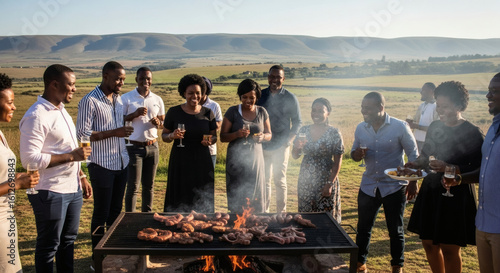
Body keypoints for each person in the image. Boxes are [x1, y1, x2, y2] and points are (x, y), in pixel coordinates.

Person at [19, 65, 92, 273]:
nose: (74, 89)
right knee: (49, 247)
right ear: (54, 84)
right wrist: (72, 156)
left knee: (68, 242)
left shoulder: (61, 110)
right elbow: (29, 159)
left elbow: (67, 147)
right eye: (71, 84)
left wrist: (81, 175)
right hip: (50, 191)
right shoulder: (37, 116)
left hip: (72, 188)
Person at [406, 81, 482, 273]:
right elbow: (427, 155)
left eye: (445, 106)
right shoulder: (435, 126)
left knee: (449, 248)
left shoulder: (472, 132)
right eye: (438, 105)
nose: (440, 110)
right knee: (428, 243)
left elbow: (480, 169)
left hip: (456, 193)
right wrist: (416, 163)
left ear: (458, 106)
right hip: (431, 189)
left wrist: (450, 167)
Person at [351, 91, 418, 273]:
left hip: (394, 187)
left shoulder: (400, 127)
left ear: (381, 107)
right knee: (363, 228)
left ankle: (397, 266)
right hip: (369, 185)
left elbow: (413, 155)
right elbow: (354, 153)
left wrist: (412, 181)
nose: (364, 111)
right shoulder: (360, 128)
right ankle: (360, 264)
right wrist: (356, 155)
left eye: (368, 108)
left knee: (395, 230)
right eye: (363, 107)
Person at [76, 61, 131, 262]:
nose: (121, 83)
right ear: (105, 75)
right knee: (101, 212)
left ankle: (113, 253)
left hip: (121, 162)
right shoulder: (89, 101)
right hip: (101, 165)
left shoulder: (118, 100)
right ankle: (98, 258)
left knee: (116, 213)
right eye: (118, 78)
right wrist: (115, 133)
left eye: (123, 79)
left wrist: (122, 132)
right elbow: (83, 134)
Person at [0, 73, 39, 273]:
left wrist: (16, 178)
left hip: (7, 218)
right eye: (10, 102)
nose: (14, 107)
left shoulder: (1, 133)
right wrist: (18, 185)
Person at [161, 74, 216, 213]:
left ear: (202, 93)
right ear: (184, 93)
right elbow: (164, 136)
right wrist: (172, 135)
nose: (195, 96)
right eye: (191, 93)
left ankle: (202, 224)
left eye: (198, 93)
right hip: (181, 160)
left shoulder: (208, 113)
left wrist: (209, 140)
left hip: (202, 160)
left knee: (202, 195)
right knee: (180, 193)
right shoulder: (174, 112)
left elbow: (214, 136)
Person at [220, 79, 271, 213]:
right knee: (238, 192)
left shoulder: (262, 112)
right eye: (244, 97)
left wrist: (263, 137)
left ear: (257, 97)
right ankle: (237, 221)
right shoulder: (232, 111)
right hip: (236, 161)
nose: (248, 101)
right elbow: (223, 137)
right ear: (240, 96)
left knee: (256, 191)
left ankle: (257, 221)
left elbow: (269, 134)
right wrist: (237, 134)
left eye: (252, 98)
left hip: (256, 158)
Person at [257, 65, 302, 213]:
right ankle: (265, 212)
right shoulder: (260, 95)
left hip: (281, 145)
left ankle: (281, 214)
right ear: (268, 77)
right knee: (264, 181)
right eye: (272, 76)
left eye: (278, 77)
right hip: (263, 144)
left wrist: (288, 141)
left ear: (283, 78)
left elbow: (297, 122)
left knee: (279, 180)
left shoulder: (290, 97)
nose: (275, 79)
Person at [292, 98, 344, 223]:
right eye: (314, 110)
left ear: (328, 113)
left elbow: (337, 162)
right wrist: (297, 148)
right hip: (306, 179)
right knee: (306, 215)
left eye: (320, 111)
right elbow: (295, 155)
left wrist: (330, 183)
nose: (316, 114)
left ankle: (328, 242)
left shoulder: (334, 132)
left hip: (325, 179)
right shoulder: (304, 130)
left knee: (325, 217)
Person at [122, 67, 165, 212]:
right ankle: (130, 217)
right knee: (133, 186)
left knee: (149, 185)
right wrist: (133, 114)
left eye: (148, 79)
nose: (145, 81)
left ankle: (146, 216)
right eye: (142, 78)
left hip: (153, 147)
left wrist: (158, 123)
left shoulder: (157, 99)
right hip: (133, 147)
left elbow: (163, 123)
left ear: (151, 80)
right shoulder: (126, 98)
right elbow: (118, 120)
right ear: (136, 79)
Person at [475, 73, 500, 273]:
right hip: (483, 223)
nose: (488, 95)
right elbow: (486, 171)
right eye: (488, 90)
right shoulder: (492, 128)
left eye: (494, 91)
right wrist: (458, 177)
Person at [406, 82, 439, 153]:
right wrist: (410, 123)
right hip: (416, 141)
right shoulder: (422, 105)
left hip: (427, 144)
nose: (420, 92)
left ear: (431, 91)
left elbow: (436, 129)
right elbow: (416, 121)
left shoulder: (436, 107)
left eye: (423, 90)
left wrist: (416, 126)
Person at [201, 76, 222, 168]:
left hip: (209, 148)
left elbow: (218, 125)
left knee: (208, 179)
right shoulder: (189, 104)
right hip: (192, 148)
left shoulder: (214, 105)